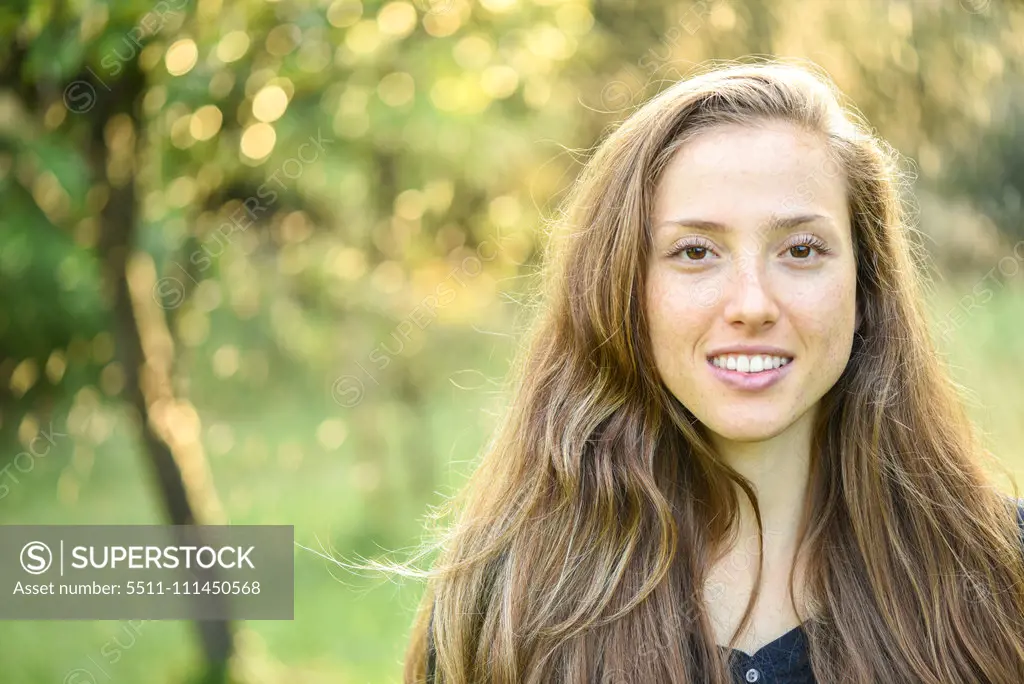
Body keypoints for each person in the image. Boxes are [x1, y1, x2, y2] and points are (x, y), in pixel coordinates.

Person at [401, 59, 1024, 683]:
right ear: (625, 291)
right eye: (696, 252)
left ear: (865, 287)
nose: (752, 304)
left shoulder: (1002, 572)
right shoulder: (504, 603)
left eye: (800, 250)